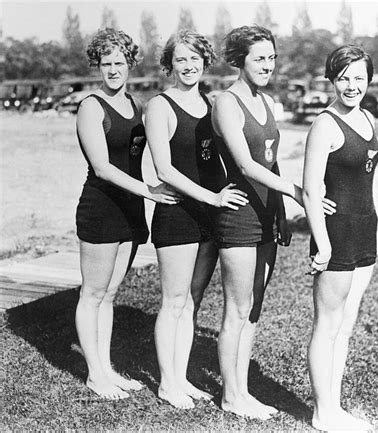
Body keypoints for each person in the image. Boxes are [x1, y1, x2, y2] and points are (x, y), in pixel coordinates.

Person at [212, 25, 336, 420]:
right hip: (238, 214)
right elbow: (246, 164)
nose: (268, 65)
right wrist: (298, 191)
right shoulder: (226, 103)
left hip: (267, 214)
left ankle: (243, 391)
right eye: (259, 58)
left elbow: (270, 158)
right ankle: (230, 395)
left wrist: (281, 210)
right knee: (237, 307)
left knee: (254, 308)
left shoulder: (266, 102)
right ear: (239, 61)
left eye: (272, 58)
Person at [75, 28, 181, 400]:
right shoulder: (91, 106)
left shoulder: (136, 106)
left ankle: (106, 369)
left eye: (119, 62)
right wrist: (149, 191)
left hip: (131, 209)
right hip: (102, 207)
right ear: (97, 66)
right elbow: (102, 167)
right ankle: (94, 374)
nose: (113, 70)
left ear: (130, 64)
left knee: (110, 294)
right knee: (93, 293)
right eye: (106, 64)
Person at [145, 30, 249, 410]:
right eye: (180, 60)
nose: (188, 66)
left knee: (191, 301)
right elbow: (164, 169)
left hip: (209, 214)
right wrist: (213, 197)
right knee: (173, 301)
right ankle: (167, 383)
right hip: (176, 213)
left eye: (194, 59)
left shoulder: (210, 103)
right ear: (169, 65)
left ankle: (182, 377)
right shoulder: (160, 106)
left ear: (205, 63)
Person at [302, 45, 378, 431]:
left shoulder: (367, 118)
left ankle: (334, 408)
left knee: (347, 323)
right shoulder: (325, 124)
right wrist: (323, 242)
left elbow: (371, 181)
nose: (352, 86)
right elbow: (309, 189)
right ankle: (322, 413)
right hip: (335, 235)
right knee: (328, 324)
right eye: (344, 78)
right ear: (331, 80)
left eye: (359, 78)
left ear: (369, 80)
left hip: (364, 230)